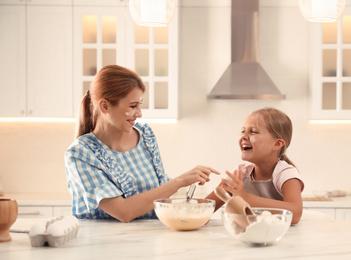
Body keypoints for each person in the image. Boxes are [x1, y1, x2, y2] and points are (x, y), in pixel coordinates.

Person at [65, 65, 219, 222]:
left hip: (148, 240)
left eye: (140, 104)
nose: (139, 113)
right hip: (104, 244)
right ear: (105, 106)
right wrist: (180, 181)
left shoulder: (145, 136)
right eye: (133, 106)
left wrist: (223, 192)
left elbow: (159, 198)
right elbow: (124, 212)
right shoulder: (80, 153)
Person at [206, 107, 304, 224]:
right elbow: (205, 211)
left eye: (253, 132)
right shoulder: (240, 174)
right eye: (243, 131)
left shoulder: (286, 173)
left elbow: (296, 213)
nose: (244, 136)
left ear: (277, 144)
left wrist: (245, 198)